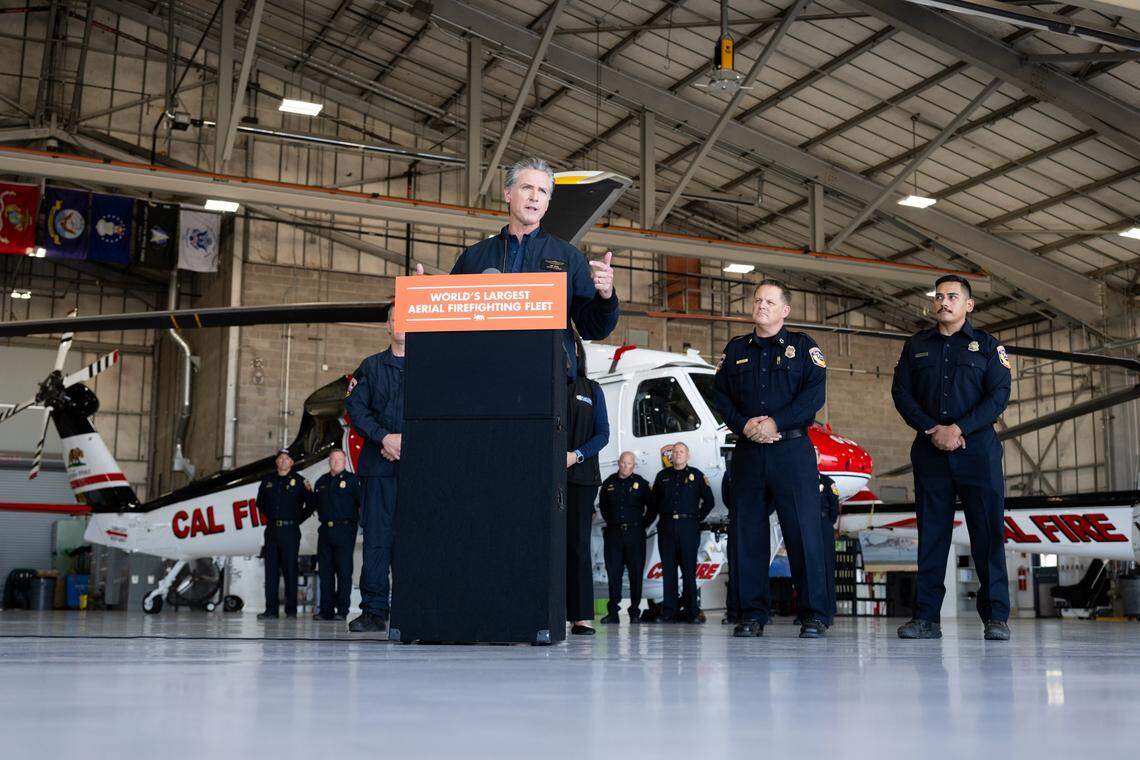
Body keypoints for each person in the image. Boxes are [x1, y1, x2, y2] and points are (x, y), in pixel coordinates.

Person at [891, 274, 1012, 641]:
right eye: (939, 296)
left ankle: (995, 618)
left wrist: (958, 429)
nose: (944, 302)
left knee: (987, 534)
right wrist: (934, 429)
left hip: (978, 452)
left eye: (953, 296)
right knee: (932, 535)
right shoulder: (916, 346)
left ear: (968, 305)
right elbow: (901, 393)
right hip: (930, 451)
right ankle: (926, 618)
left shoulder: (988, 347)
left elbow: (998, 395)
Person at [713, 279, 829, 638]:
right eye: (757, 300)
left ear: (785, 310)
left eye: (769, 301)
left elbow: (813, 397)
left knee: (803, 533)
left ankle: (813, 615)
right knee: (747, 534)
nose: (761, 305)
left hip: (791, 450)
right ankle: (751, 614)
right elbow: (720, 397)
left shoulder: (803, 348)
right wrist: (744, 424)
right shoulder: (735, 351)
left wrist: (776, 422)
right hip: (748, 451)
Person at [448, 157, 620, 376]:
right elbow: (450, 320)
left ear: (548, 202)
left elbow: (592, 328)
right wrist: (422, 297)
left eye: (543, 191)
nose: (534, 197)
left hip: (548, 375)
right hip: (484, 373)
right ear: (508, 194)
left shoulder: (569, 257)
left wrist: (606, 297)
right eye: (527, 187)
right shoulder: (474, 257)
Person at [343, 318, 405, 633]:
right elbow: (356, 409)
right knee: (377, 540)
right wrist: (384, 438)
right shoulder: (370, 366)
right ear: (387, 325)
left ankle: (410, 608)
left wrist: (405, 443)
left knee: (413, 541)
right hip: (378, 470)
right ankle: (374, 611)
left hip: (417, 469)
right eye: (395, 317)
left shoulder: (432, 366)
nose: (401, 323)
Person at [564, 340, 609, 635]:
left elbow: (602, 434)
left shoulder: (592, 389)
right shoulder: (544, 388)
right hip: (545, 478)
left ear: (578, 353)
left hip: (581, 477)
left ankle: (580, 615)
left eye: (571, 348)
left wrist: (575, 455)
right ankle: (546, 611)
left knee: (578, 544)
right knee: (546, 545)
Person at [647, 442, 714, 623]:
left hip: (688, 528)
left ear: (687, 455)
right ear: (671, 456)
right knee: (668, 571)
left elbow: (709, 501)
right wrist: (644, 525)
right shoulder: (661, 477)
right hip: (666, 526)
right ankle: (669, 611)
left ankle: (692, 611)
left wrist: (696, 518)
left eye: (681, 451)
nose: (678, 454)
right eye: (675, 452)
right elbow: (653, 505)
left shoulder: (697, 476)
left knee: (688, 571)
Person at [256, 448, 314, 620]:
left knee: (290, 570)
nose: (283, 461)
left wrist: (297, 519)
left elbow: (311, 504)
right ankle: (271, 610)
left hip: (290, 530)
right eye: (280, 458)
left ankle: (291, 610)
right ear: (277, 461)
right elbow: (261, 503)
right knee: (271, 570)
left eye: (287, 458)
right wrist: (273, 518)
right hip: (272, 530)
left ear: (291, 462)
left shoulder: (300, 481)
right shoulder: (268, 480)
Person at [598, 451, 652, 625]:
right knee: (614, 573)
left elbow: (652, 507)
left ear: (633, 465)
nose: (625, 466)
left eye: (629, 464)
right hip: (613, 535)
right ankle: (613, 612)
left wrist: (642, 525)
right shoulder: (608, 484)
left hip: (635, 535)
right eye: (623, 463)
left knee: (636, 574)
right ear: (619, 463)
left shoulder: (641, 484)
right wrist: (613, 522)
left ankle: (635, 612)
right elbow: (604, 508)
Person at [311, 449, 361, 621]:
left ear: (345, 461)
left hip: (345, 530)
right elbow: (315, 505)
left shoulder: (353, 481)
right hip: (325, 531)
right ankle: (326, 610)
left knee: (344, 572)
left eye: (339, 459)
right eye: (333, 459)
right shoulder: (321, 482)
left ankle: (342, 610)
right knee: (325, 573)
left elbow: (361, 504)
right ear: (329, 461)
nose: (336, 462)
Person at [817, 450, 840, 626]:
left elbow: (834, 507)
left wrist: (825, 522)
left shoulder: (827, 482)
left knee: (826, 566)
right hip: (805, 524)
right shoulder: (799, 480)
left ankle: (829, 610)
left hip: (823, 525)